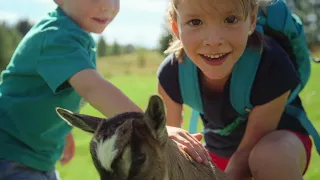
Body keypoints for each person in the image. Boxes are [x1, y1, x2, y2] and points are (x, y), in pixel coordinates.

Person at [157, 0, 315, 179]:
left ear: (252, 19)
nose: (213, 40)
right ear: (176, 26)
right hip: (218, 151)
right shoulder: (171, 74)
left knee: (269, 157)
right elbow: (168, 146)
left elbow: (246, 151)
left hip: (281, 144)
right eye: (195, 22)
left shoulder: (271, 64)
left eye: (230, 19)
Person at [0, 0, 142, 179]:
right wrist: (147, 126)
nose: (108, 6)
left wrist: (62, 131)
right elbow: (93, 88)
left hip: (35, 157)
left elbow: (45, 94)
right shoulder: (57, 36)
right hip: (11, 155)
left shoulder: (77, 36)